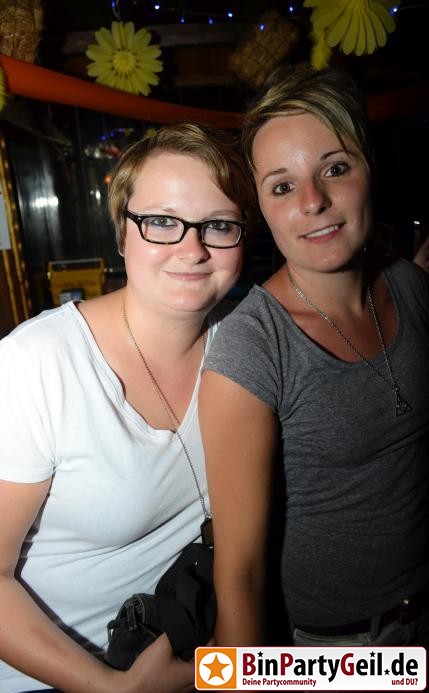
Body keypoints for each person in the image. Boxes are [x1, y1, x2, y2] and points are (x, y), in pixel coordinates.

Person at [0, 122, 254, 692]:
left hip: (197, 658)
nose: (192, 249)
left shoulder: (247, 343)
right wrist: (113, 688)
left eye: (218, 224)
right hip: (55, 677)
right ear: (121, 233)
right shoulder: (36, 364)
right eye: (161, 221)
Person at [199, 63, 429, 648]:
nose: (314, 201)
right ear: (261, 208)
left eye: (335, 168)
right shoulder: (253, 348)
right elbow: (239, 574)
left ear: (370, 169)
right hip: (337, 651)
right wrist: (242, 682)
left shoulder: (410, 287)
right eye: (282, 186)